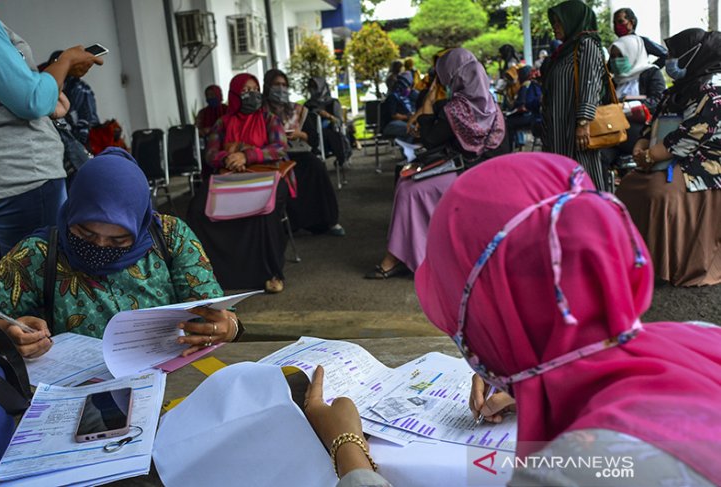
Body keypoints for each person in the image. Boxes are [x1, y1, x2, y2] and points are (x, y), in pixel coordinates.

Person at [307, 152, 721, 486]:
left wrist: (348, 450)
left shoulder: (570, 472)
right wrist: (535, 389)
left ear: (491, 314)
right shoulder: (701, 339)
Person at [0, 148, 240, 359]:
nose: (100, 245)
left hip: (169, 381)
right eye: (85, 234)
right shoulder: (37, 254)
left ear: (140, 223)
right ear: (71, 213)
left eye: (119, 240)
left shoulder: (170, 236)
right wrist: (7, 332)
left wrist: (229, 327)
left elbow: (211, 312)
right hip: (83, 397)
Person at [366, 48, 506, 279]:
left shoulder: (458, 108)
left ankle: (410, 257)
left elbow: (430, 140)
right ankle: (406, 254)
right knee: (407, 183)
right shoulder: (491, 105)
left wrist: (429, 103)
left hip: (467, 172)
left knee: (411, 189)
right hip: (483, 170)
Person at [0, 9, 102, 256]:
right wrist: (65, 62)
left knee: (8, 281)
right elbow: (30, 100)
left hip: (4, 178)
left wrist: (47, 92)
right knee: (41, 278)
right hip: (22, 175)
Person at [616, 28, 721, 287]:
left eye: (674, 54)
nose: (669, 60)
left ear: (693, 55)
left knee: (657, 192)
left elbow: (689, 137)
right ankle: (632, 259)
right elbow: (653, 125)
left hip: (705, 165)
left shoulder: (713, 92)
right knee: (628, 186)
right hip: (668, 157)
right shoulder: (678, 89)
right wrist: (641, 146)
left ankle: (666, 266)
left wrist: (650, 156)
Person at [186, 73, 288, 294]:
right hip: (228, 176)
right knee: (197, 209)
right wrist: (227, 158)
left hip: (264, 175)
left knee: (265, 211)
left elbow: (279, 147)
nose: (253, 95)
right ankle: (212, 273)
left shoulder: (269, 119)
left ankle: (270, 273)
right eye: (246, 91)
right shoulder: (223, 123)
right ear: (234, 95)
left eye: (255, 89)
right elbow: (210, 153)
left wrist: (247, 155)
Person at [262, 69, 345, 236]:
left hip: (297, 152)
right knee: (284, 176)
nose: (281, 89)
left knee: (316, 167)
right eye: (276, 85)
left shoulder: (296, 110)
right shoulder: (260, 112)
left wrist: (300, 134)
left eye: (284, 85)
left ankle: (328, 221)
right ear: (267, 87)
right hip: (273, 155)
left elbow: (313, 139)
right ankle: (290, 223)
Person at [541, 0, 608, 191]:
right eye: (553, 22)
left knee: (583, 176)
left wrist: (583, 122)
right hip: (558, 130)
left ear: (572, 20)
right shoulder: (564, 52)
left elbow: (591, 83)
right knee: (561, 180)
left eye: (559, 22)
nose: (554, 27)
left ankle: (593, 217)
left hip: (576, 130)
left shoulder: (587, 45)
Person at [601, 34, 666, 172]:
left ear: (632, 53)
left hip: (640, 135)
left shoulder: (651, 73)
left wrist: (628, 107)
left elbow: (658, 100)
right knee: (599, 158)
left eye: (621, 55)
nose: (616, 60)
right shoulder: (613, 82)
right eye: (613, 56)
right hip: (615, 135)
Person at [44, 50, 100, 147]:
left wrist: (81, 136)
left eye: (59, 63)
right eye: (54, 63)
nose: (56, 68)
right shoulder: (46, 84)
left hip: (79, 138)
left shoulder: (80, 88)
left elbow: (87, 117)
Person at [304, 77, 352, 168]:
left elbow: (339, 122)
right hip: (313, 135)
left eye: (315, 87)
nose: (312, 90)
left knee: (330, 135)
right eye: (310, 87)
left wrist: (328, 116)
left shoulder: (333, 103)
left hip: (330, 133)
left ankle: (342, 157)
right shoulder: (308, 105)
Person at [505, 66, 541, 151]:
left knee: (507, 124)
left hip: (530, 117)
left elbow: (524, 104)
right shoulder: (533, 84)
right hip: (534, 116)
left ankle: (509, 150)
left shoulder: (525, 86)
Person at [381, 73, 414, 142]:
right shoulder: (392, 97)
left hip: (400, 123)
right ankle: (408, 150)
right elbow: (394, 115)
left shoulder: (400, 97)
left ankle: (407, 149)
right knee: (412, 129)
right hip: (391, 125)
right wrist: (409, 117)